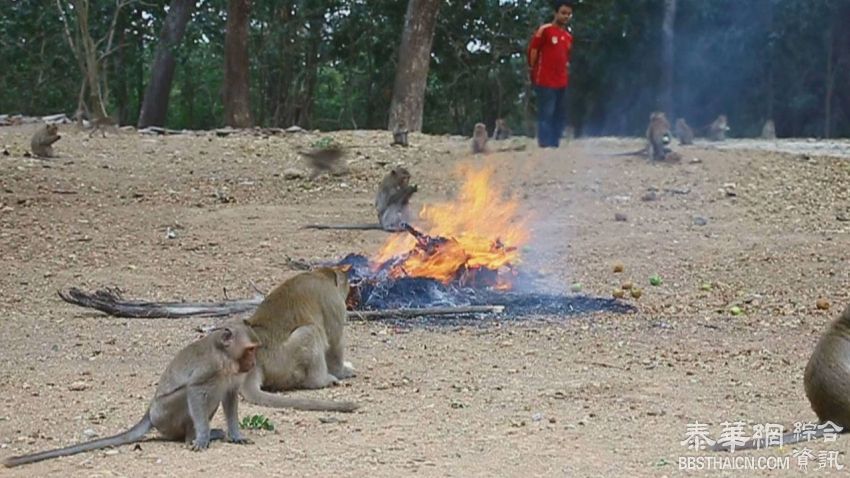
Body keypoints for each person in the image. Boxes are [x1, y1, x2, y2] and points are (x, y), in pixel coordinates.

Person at [528, 1, 574, 148]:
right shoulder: (545, 30)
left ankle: (555, 144)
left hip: (561, 80)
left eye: (568, 14)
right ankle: (544, 144)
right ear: (556, 13)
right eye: (563, 13)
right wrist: (533, 69)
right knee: (546, 111)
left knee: (559, 113)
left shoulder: (568, 36)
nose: (566, 16)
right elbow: (533, 51)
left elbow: (566, 57)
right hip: (545, 79)